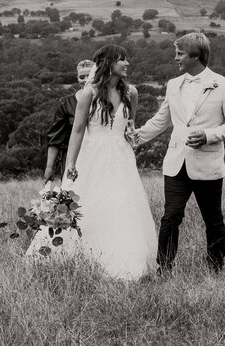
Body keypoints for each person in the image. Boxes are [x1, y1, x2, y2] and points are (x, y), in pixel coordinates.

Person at [132, 31, 225, 273]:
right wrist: (133, 138)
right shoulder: (174, 84)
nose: (176, 58)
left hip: (207, 163)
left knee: (212, 218)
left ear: (196, 55)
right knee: (170, 216)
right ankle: (164, 268)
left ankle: (215, 268)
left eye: (180, 53)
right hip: (176, 162)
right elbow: (161, 120)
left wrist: (208, 135)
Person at [61, 45, 156, 280]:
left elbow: (130, 124)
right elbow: (78, 130)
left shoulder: (130, 93)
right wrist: (70, 163)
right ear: (108, 63)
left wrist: (132, 134)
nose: (127, 64)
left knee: (123, 205)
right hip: (93, 155)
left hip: (121, 157)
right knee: (93, 203)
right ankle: (86, 257)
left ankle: (127, 261)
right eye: (122, 59)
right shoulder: (88, 94)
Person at [43, 58, 96, 187]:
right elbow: (56, 137)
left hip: (97, 154)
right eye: (81, 77)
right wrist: (49, 167)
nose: (85, 80)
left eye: (89, 76)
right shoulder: (66, 103)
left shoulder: (106, 101)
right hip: (72, 157)